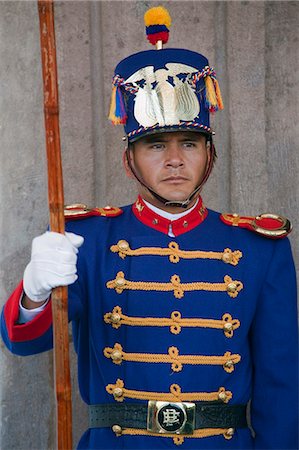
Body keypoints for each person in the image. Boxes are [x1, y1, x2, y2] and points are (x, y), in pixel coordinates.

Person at [1, 6, 298, 450]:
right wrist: (33, 293)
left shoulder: (260, 248)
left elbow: (281, 385)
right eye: (156, 144)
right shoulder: (88, 240)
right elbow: (25, 343)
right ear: (130, 159)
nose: (174, 159)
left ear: (209, 154)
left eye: (190, 144)